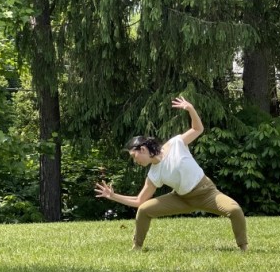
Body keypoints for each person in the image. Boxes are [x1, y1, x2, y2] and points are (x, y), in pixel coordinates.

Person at [95, 96, 248, 251]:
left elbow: (198, 129)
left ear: (142, 149)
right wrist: (113, 196)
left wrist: (190, 109)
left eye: (134, 157)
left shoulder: (176, 143)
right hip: (182, 198)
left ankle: (243, 247)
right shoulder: (154, 174)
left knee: (234, 210)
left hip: (206, 193)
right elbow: (139, 201)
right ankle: (137, 247)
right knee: (144, 210)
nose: (135, 161)